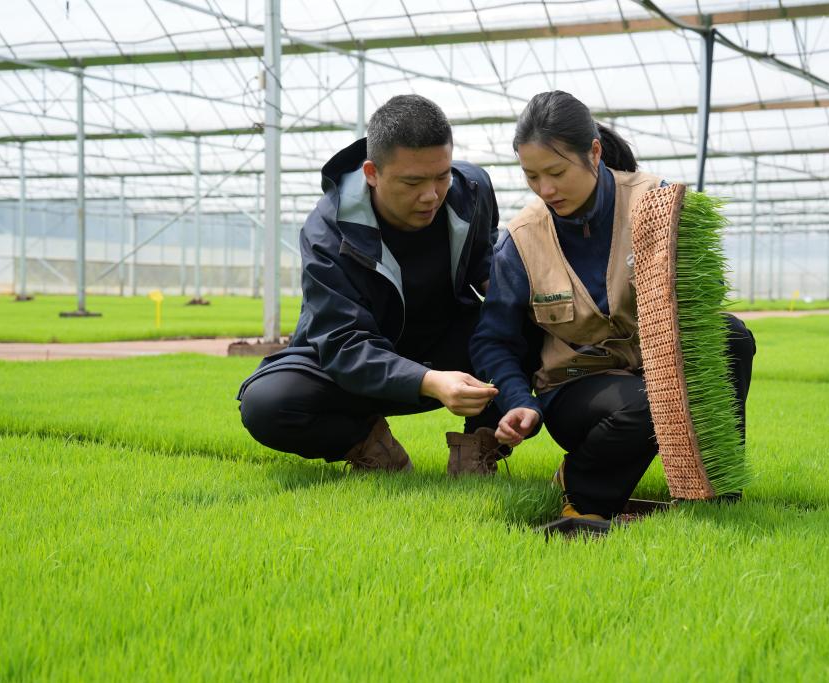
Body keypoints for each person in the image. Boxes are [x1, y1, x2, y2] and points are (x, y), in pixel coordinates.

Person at [470, 90, 757, 521]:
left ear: (594, 153)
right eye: (532, 176)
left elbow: (704, 292)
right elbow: (493, 340)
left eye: (557, 172)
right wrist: (518, 401)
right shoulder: (522, 240)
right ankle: (582, 492)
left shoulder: (654, 204)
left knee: (732, 337)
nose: (546, 189)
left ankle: (715, 493)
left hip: (656, 365)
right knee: (649, 402)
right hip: (576, 386)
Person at [238, 94, 513, 474]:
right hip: (357, 360)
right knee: (268, 404)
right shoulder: (328, 231)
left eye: (441, 176)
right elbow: (342, 341)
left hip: (448, 344)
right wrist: (428, 380)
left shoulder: (473, 188)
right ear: (372, 173)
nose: (431, 195)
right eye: (412, 182)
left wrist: (499, 283)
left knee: (528, 319)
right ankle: (369, 443)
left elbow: (482, 252)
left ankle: (479, 446)